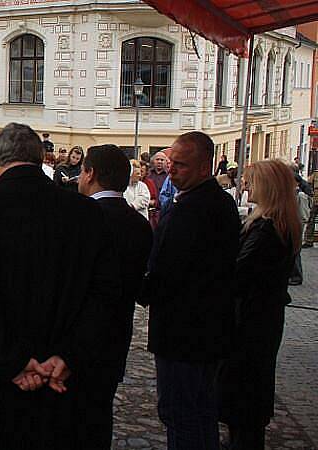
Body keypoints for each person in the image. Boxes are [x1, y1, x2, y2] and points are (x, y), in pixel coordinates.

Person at [0, 123, 120, 448]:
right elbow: (105, 296)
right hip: (59, 382)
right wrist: (68, 356)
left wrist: (13, 361)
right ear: (40, 160)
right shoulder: (86, 213)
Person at [140, 131, 240, 449]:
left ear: (204, 167)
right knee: (198, 411)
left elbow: (171, 270)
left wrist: (139, 287)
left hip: (186, 332)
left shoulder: (196, 209)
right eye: (172, 163)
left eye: (181, 165)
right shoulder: (211, 202)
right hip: (202, 331)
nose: (172, 171)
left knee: (182, 412)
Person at [217, 159, 301, 450]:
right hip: (261, 319)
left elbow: (240, 273)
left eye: (251, 181)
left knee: (245, 394)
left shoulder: (267, 229)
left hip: (251, 322)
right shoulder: (278, 224)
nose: (245, 185)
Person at [76, 144, 153, 448]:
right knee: (100, 409)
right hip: (117, 330)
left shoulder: (81, 218)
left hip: (75, 334)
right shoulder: (139, 225)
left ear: (91, 173)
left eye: (82, 170)